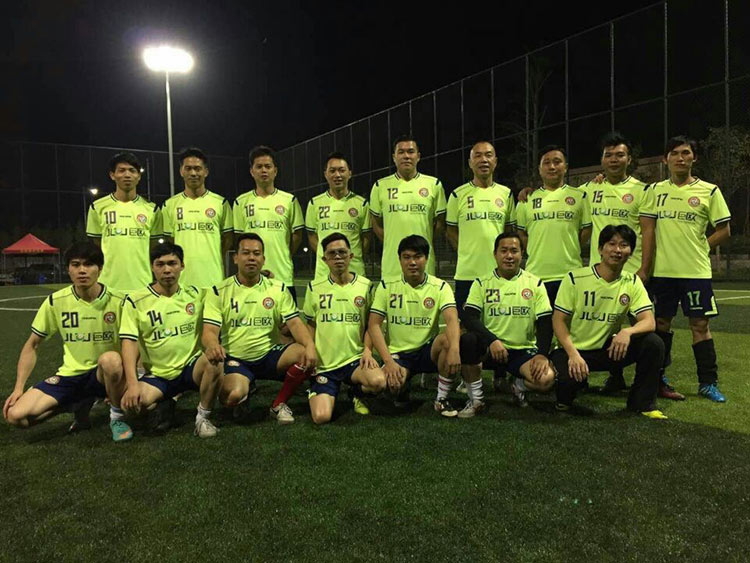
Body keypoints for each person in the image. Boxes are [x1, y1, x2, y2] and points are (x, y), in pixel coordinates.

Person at [3, 242, 132, 441]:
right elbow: (32, 344)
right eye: (76, 264)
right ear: (68, 270)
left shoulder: (119, 301)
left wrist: (132, 380)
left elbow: (134, 344)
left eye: (88, 264)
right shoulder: (56, 301)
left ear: (100, 269)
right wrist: (18, 388)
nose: (82, 270)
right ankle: (75, 404)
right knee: (15, 416)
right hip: (70, 375)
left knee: (111, 360)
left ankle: (116, 418)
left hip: (105, 375)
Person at [640, 135, 732, 402]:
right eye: (675, 153)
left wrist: (703, 246)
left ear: (694, 158)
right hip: (663, 273)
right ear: (665, 159)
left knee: (700, 325)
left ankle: (708, 382)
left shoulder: (709, 191)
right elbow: (648, 231)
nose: (680, 158)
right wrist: (645, 268)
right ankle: (658, 379)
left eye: (686, 153)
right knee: (660, 324)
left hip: (695, 273)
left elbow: (724, 230)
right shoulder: (654, 191)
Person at [551, 225, 666, 419]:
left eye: (624, 245)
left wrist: (627, 332)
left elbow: (649, 322)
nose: (617, 250)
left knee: (653, 343)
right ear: (600, 249)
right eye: (611, 244)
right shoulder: (575, 278)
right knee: (567, 390)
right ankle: (566, 389)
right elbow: (558, 320)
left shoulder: (632, 282)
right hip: (572, 350)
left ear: (630, 251)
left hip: (606, 350)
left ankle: (642, 403)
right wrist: (573, 354)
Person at [202, 233, 316, 424]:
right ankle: (244, 391)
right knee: (232, 396)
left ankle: (278, 404)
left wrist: (310, 345)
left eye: (256, 253)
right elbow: (209, 330)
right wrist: (213, 344)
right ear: (235, 258)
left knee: (306, 353)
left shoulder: (278, 289)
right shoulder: (219, 291)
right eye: (245, 253)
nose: (251, 258)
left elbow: (295, 323)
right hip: (237, 359)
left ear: (263, 259)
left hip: (269, 355)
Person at [119, 242, 221, 438]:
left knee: (215, 361)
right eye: (160, 264)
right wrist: (132, 384)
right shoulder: (135, 301)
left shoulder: (196, 294)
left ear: (182, 266)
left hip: (190, 369)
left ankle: (203, 418)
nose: (167, 270)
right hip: (158, 374)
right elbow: (129, 344)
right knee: (130, 407)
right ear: (152, 267)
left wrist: (261, 276)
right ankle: (167, 401)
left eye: (172, 263)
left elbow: (226, 290)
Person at [581, 132, 651, 395]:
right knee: (603, 324)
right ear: (601, 160)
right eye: (608, 155)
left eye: (619, 155)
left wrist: (644, 269)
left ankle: (654, 378)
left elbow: (648, 231)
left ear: (629, 159)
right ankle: (611, 376)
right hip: (599, 273)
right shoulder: (590, 189)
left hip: (631, 273)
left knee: (644, 329)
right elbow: (560, 193)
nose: (614, 159)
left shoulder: (641, 190)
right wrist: (528, 191)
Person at [460, 232, 554, 416]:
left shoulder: (534, 283)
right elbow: (469, 317)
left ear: (522, 254)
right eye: (503, 251)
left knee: (546, 380)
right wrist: (492, 340)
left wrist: (542, 354)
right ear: (495, 254)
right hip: (490, 349)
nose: (509, 256)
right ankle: (476, 400)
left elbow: (544, 322)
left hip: (521, 350)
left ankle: (517, 386)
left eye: (514, 251)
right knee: (468, 341)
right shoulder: (481, 283)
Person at [368, 235, 461, 416]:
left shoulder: (440, 286)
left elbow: (452, 320)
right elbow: (373, 325)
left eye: (418, 256)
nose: (412, 262)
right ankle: (403, 387)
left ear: (426, 258)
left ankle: (441, 399)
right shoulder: (387, 286)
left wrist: (455, 350)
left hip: (427, 350)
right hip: (399, 354)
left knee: (447, 341)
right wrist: (388, 362)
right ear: (400, 259)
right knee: (387, 385)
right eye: (407, 257)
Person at [303, 233, 386, 424]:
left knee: (379, 382)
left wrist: (367, 351)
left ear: (351, 256)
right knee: (321, 417)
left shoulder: (366, 286)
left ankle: (356, 391)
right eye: (332, 254)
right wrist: (310, 350)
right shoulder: (314, 287)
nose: (338, 257)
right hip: (325, 364)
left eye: (342, 252)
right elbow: (311, 324)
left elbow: (371, 325)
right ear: (325, 259)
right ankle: (315, 389)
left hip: (355, 360)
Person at [515, 145, 591, 307]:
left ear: (565, 167)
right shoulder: (526, 200)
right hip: (536, 276)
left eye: (557, 162)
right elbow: (522, 233)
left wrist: (572, 246)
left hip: (571, 275)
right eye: (547, 163)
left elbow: (586, 229)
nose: (552, 167)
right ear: (539, 169)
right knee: (540, 322)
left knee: (571, 322)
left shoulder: (580, 196)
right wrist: (534, 248)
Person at [446, 141, 516, 310]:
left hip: (498, 274)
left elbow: (508, 233)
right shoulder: (457, 195)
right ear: (470, 163)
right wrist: (467, 251)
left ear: (495, 162)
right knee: (466, 324)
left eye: (488, 155)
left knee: (499, 322)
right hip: (467, 275)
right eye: (477, 156)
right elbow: (451, 231)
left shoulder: (506, 194)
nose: (483, 160)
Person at [369, 136, 447, 281]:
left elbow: (440, 223)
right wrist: (391, 241)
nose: (406, 156)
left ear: (418, 156)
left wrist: (424, 240)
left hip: (424, 265)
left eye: (410, 152)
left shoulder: (434, 185)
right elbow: (376, 223)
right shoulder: (380, 186)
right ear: (394, 157)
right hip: (392, 266)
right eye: (401, 152)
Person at [232, 146, 304, 301]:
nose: (263, 170)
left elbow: (297, 236)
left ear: (275, 171)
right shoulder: (240, 202)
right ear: (252, 171)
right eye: (259, 167)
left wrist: (284, 254)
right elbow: (239, 238)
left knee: (287, 317)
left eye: (267, 166)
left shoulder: (289, 200)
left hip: (282, 276)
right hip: (250, 278)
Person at [86, 152, 162, 292]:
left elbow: (154, 248)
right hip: (107, 286)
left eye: (132, 170)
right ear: (112, 175)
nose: (127, 175)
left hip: (142, 286)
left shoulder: (152, 209)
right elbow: (96, 246)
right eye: (121, 170)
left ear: (139, 176)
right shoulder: (97, 207)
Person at [161, 147, 233, 289]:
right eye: (188, 168)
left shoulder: (220, 203)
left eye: (197, 169)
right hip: (181, 283)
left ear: (206, 172)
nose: (193, 173)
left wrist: (213, 256)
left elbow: (228, 239)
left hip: (213, 280)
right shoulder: (169, 205)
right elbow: (170, 241)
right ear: (181, 171)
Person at [305, 152, 371, 281]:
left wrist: (352, 256)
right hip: (324, 274)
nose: (337, 175)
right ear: (326, 174)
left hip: (354, 272)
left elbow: (366, 238)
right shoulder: (314, 203)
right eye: (332, 171)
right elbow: (312, 236)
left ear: (349, 173)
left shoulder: (362, 204)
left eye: (341, 170)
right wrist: (328, 256)